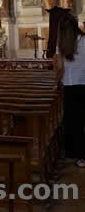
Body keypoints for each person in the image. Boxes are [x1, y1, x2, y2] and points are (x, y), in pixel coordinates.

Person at [53, 14, 85, 167]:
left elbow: (60, 68)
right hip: (83, 83)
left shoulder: (61, 44)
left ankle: (77, 155)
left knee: (74, 122)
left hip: (71, 86)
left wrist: (56, 83)